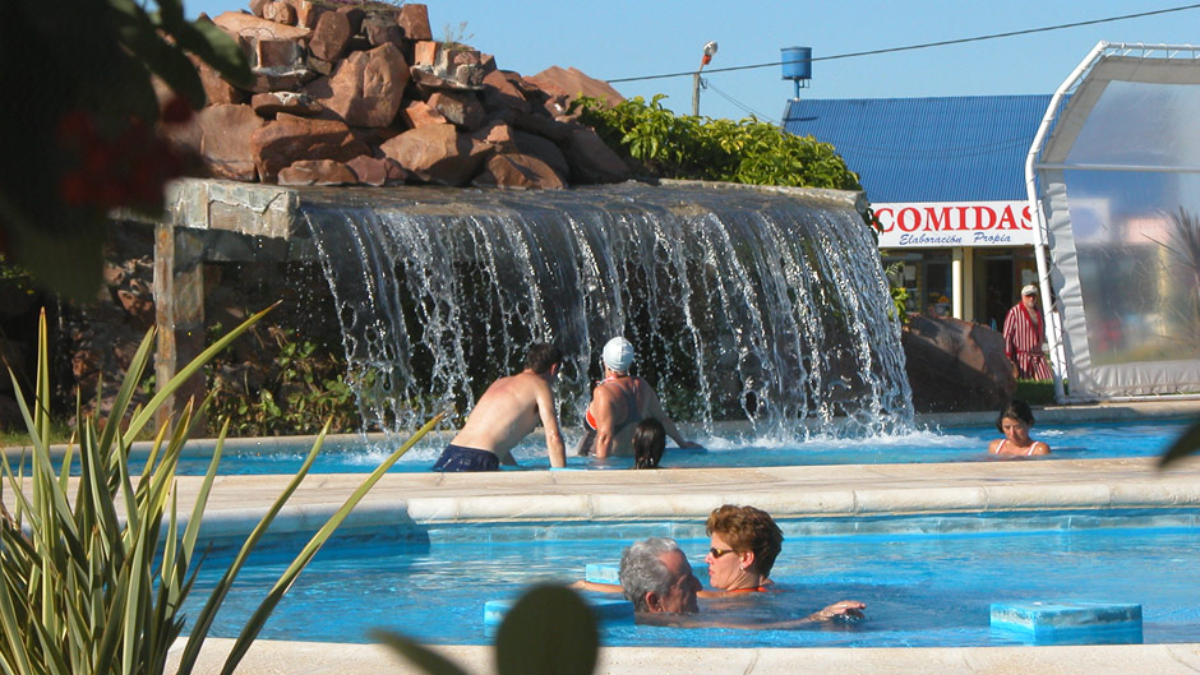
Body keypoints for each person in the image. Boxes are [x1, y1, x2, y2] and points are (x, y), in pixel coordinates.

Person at [618, 537, 865, 628]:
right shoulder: (670, 624)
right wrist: (816, 618)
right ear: (655, 602)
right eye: (686, 582)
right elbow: (744, 629)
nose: (699, 587)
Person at [432, 343, 566, 471]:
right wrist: (561, 476)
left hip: (449, 455)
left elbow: (496, 440)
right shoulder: (540, 385)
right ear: (553, 368)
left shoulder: (500, 383)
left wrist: (516, 469)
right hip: (478, 459)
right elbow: (553, 437)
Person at [576, 337, 704, 458]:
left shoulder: (603, 393)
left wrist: (602, 468)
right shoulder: (641, 386)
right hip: (632, 459)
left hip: (597, 459)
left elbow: (605, 438)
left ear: (605, 360)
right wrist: (682, 443)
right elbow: (662, 419)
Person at [701, 504, 783, 596]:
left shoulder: (707, 599)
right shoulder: (772, 590)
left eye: (716, 552)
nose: (707, 559)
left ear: (745, 559)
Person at [1002, 284, 1053, 380]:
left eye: (1033, 296)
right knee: (1025, 384)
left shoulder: (1039, 312)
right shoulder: (1014, 312)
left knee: (1047, 382)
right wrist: (1008, 356)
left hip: (1038, 357)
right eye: (1028, 296)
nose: (1031, 298)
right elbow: (1007, 336)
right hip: (1021, 358)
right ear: (1022, 296)